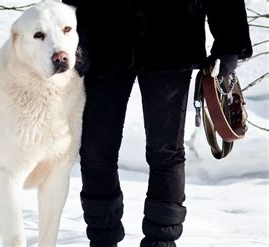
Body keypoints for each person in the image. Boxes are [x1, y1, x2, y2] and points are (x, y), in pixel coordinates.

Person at [62, 0, 252, 246]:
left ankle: (161, 241)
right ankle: (102, 239)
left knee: (166, 151)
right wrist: (69, 35)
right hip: (103, 39)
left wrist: (230, 43)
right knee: (95, 150)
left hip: (171, 39)